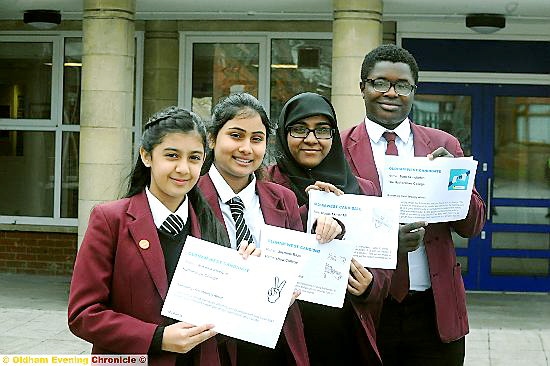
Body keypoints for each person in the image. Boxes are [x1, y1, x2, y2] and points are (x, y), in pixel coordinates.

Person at [68, 107, 259, 365]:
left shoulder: (212, 223)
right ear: (146, 156)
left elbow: (224, 325)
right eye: (172, 155)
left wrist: (246, 280)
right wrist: (158, 338)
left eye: (194, 158)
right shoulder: (110, 220)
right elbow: (84, 314)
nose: (183, 168)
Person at [341, 44, 487, 366]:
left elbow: (473, 226)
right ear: (362, 87)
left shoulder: (442, 144)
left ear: (413, 91)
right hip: (367, 306)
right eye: (380, 83)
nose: (391, 93)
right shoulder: (339, 147)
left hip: (434, 309)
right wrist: (388, 243)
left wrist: (455, 183)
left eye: (402, 85)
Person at [198, 92, 344, 365]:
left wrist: (326, 227)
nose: (246, 148)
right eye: (236, 136)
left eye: (257, 139)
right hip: (213, 346)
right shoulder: (190, 198)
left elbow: (299, 264)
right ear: (212, 139)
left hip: (276, 344)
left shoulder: (282, 198)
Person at [266, 92, 391, 365]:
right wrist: (308, 213)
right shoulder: (265, 184)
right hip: (284, 336)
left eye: (322, 130)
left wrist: (370, 285)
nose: (311, 139)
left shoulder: (362, 189)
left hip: (345, 333)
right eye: (299, 129)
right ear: (283, 134)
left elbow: (383, 267)